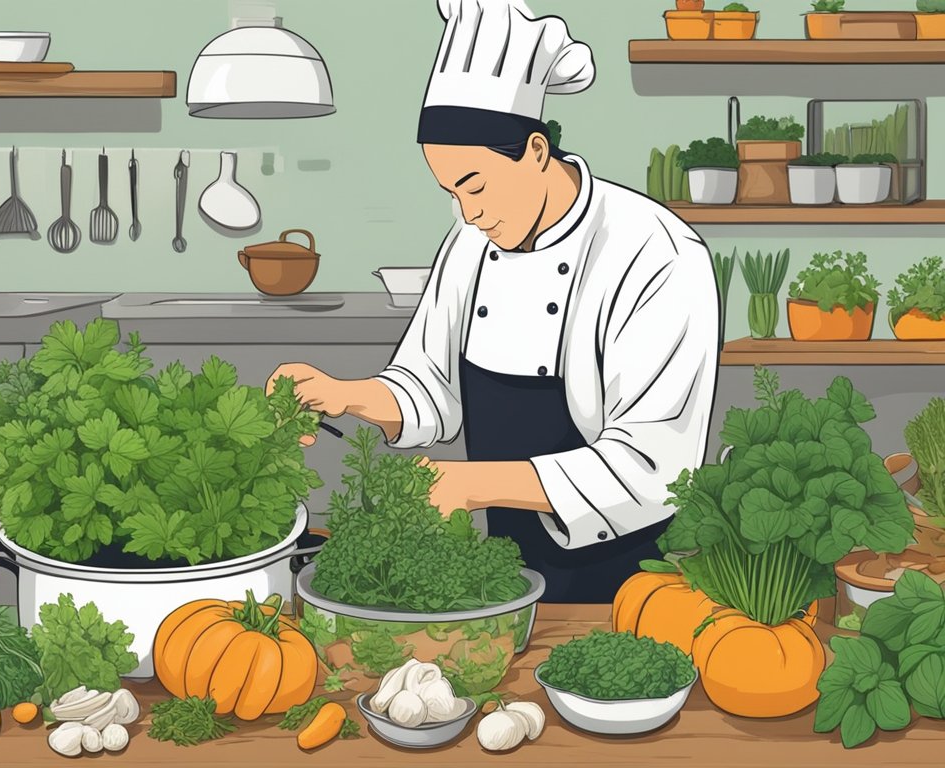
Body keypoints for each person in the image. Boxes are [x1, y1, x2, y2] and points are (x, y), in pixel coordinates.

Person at [267, 0, 720, 603]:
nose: (469, 212)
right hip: (506, 568)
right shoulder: (472, 242)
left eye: (476, 185)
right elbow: (430, 386)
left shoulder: (655, 252)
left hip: (631, 580)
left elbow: (655, 469)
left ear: (536, 151)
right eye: (450, 192)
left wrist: (471, 484)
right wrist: (348, 395)